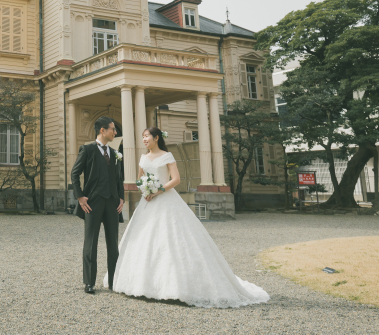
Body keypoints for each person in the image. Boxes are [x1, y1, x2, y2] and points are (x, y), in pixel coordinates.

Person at [105, 126, 270, 308]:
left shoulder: (167, 156)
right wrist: (145, 189)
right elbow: (139, 178)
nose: (144, 139)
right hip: (147, 203)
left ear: (156, 138)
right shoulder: (143, 157)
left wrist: (158, 190)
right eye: (142, 137)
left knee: (172, 240)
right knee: (143, 239)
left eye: (146, 136)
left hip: (165, 199)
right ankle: (140, 283)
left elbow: (176, 179)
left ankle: (175, 287)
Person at [70, 116, 124, 294]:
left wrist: (121, 198)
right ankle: (89, 282)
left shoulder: (115, 153)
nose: (115, 132)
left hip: (112, 203)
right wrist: (80, 197)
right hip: (92, 203)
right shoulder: (87, 149)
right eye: (112, 129)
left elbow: (119, 178)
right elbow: (75, 174)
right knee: (91, 242)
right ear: (102, 130)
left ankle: (114, 281)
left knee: (113, 244)